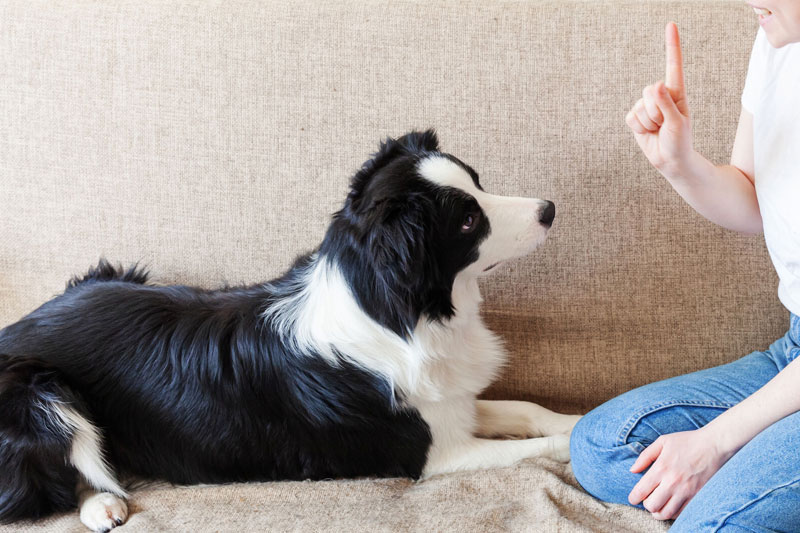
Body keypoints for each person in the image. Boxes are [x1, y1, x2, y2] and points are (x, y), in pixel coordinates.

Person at [569, 3, 800, 531]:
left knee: (710, 525)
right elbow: (751, 197)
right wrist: (680, 164)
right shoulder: (778, 43)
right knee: (601, 448)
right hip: (794, 353)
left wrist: (715, 444)